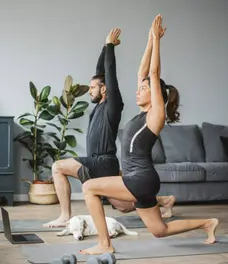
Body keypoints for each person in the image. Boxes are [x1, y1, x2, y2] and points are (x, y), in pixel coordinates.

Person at [79, 14, 219, 256]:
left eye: (144, 89)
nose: (138, 91)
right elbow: (143, 72)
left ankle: (105, 244)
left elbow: (153, 75)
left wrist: (157, 40)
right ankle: (207, 223)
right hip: (140, 179)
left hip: (139, 179)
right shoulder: (141, 113)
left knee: (90, 187)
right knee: (159, 230)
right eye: (140, 88)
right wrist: (149, 41)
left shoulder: (156, 115)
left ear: (156, 95)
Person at [43, 28, 176, 228]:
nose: (90, 91)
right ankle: (163, 201)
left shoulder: (113, 105)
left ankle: (64, 216)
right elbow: (101, 72)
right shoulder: (97, 106)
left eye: (93, 88)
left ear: (104, 89)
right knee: (123, 206)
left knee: (57, 167)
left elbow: (109, 74)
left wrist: (111, 46)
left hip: (103, 162)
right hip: (99, 163)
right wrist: (105, 48)